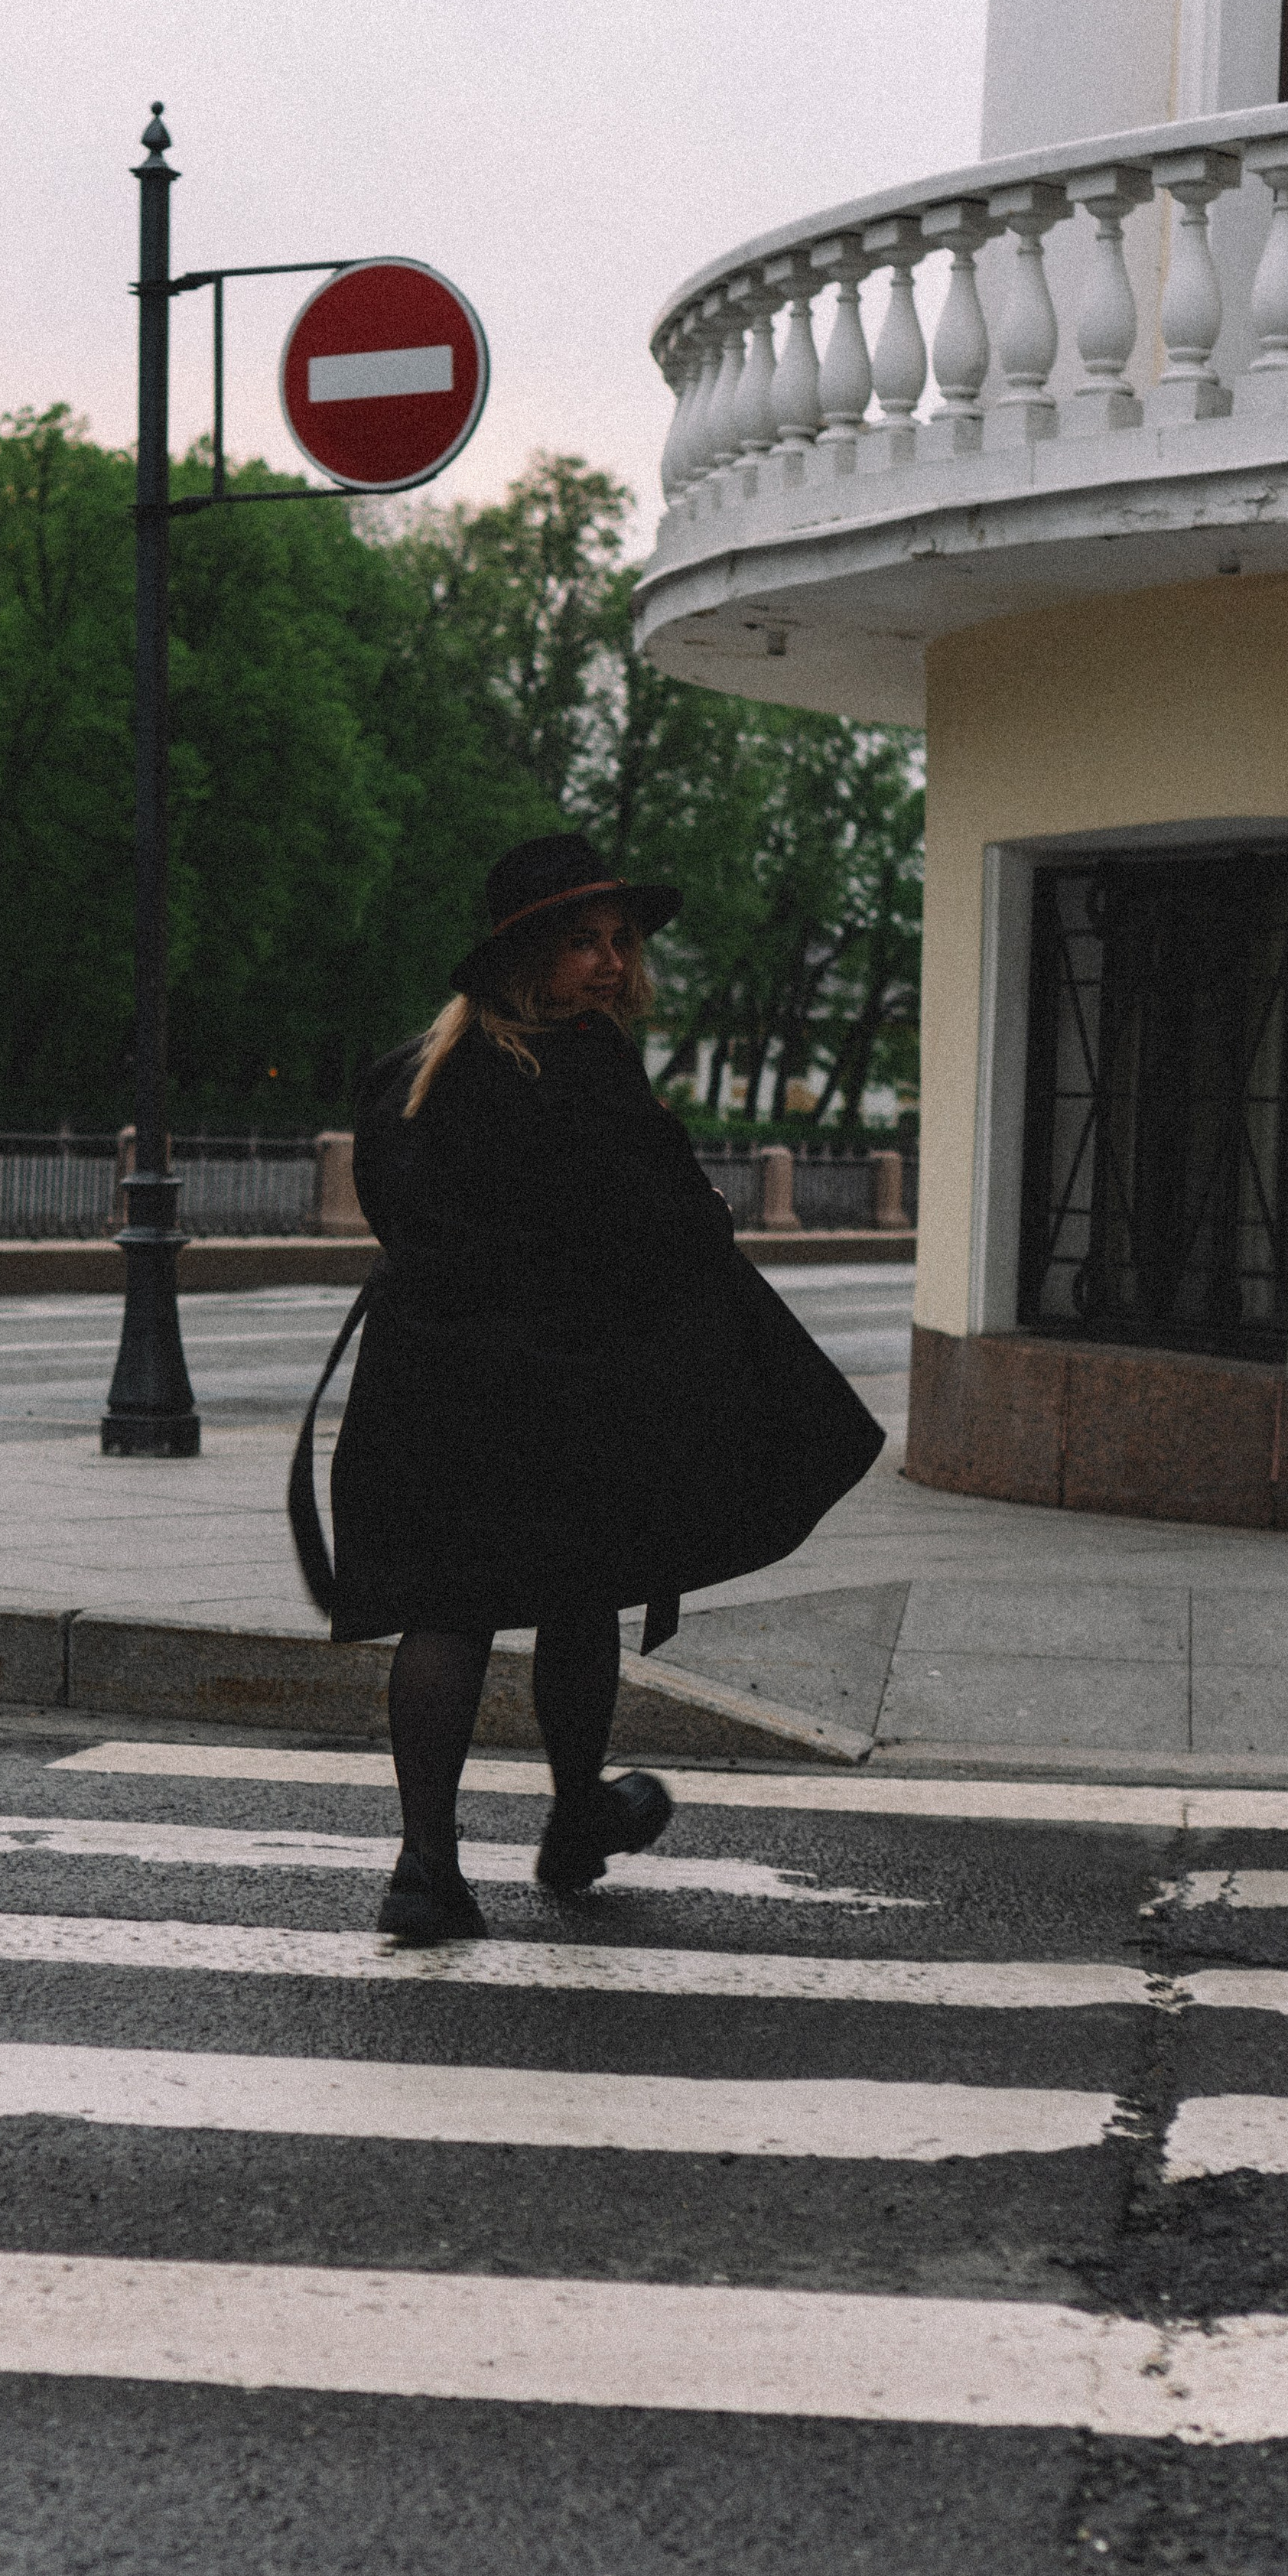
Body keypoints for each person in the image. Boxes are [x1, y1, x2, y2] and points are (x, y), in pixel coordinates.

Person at [290, 831, 886, 1943]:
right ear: (530, 956)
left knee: (447, 1609)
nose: (610, 963)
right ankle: (573, 1820)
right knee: (580, 1590)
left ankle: (426, 1870)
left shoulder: (413, 1073)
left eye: (620, 941)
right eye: (583, 943)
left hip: (427, 1384)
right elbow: (667, 1228)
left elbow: (402, 1217)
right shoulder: (584, 1071)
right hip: (557, 1388)